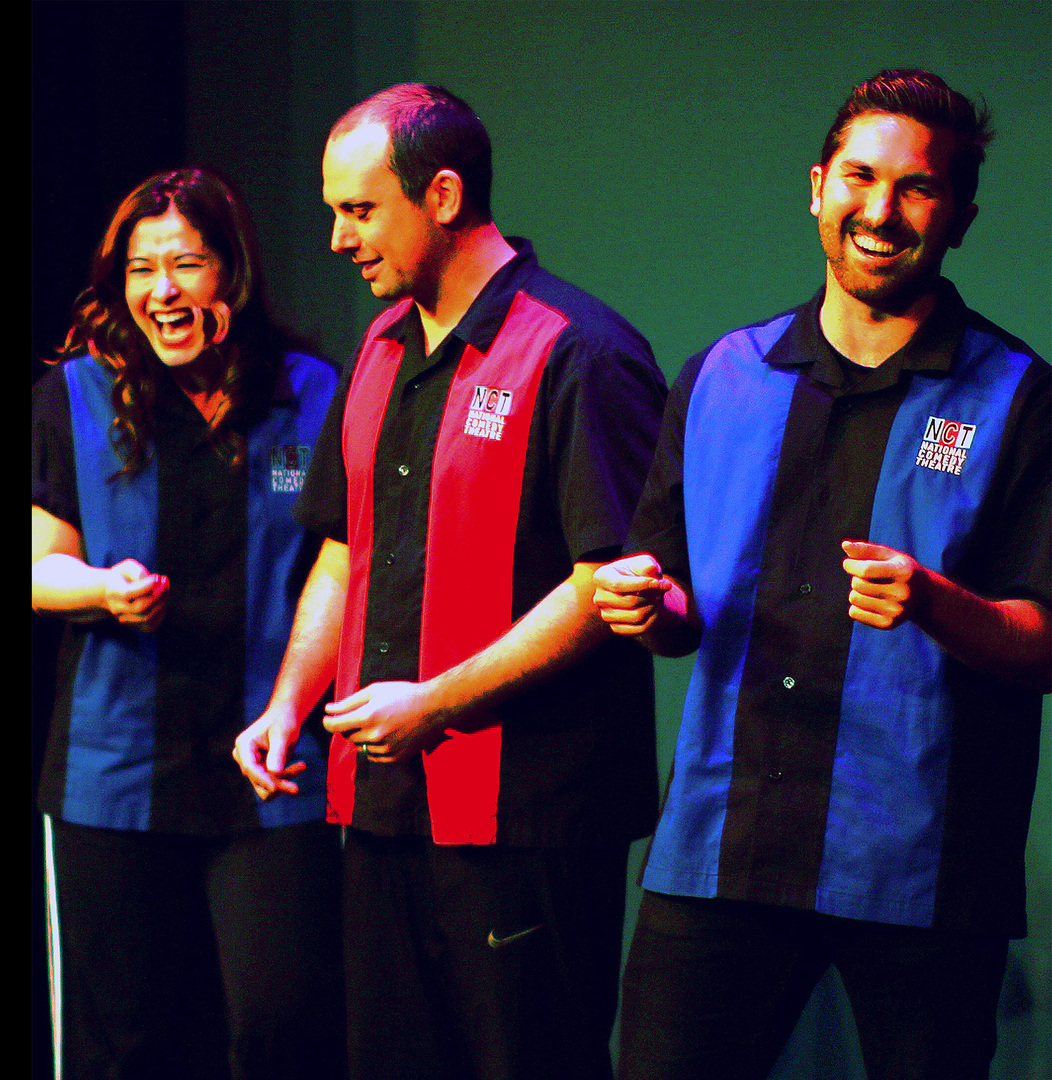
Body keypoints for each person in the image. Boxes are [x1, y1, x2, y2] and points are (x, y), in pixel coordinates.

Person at [593, 69, 1050, 1080]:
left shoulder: (1021, 397)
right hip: (718, 846)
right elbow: (676, 603)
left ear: (959, 218)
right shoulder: (722, 375)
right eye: (858, 177)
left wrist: (934, 602)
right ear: (815, 188)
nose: (879, 212)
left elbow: (1044, 643)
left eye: (916, 188)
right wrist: (649, 606)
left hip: (921, 869)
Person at [233, 83, 666, 1080]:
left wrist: (437, 703)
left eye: (359, 209)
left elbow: (606, 585)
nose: (339, 239)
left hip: (527, 816)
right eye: (333, 211)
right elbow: (342, 550)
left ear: (441, 194)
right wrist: (289, 705)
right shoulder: (381, 346)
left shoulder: (580, 351)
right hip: (386, 807)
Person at [32, 168, 346, 1080]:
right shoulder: (75, 396)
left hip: (272, 768)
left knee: (280, 1026)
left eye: (186, 264)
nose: (161, 290)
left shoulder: (311, 394)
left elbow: (342, 565)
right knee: (125, 1046)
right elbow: (40, 566)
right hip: (114, 770)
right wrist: (100, 588)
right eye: (141, 269)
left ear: (232, 273)